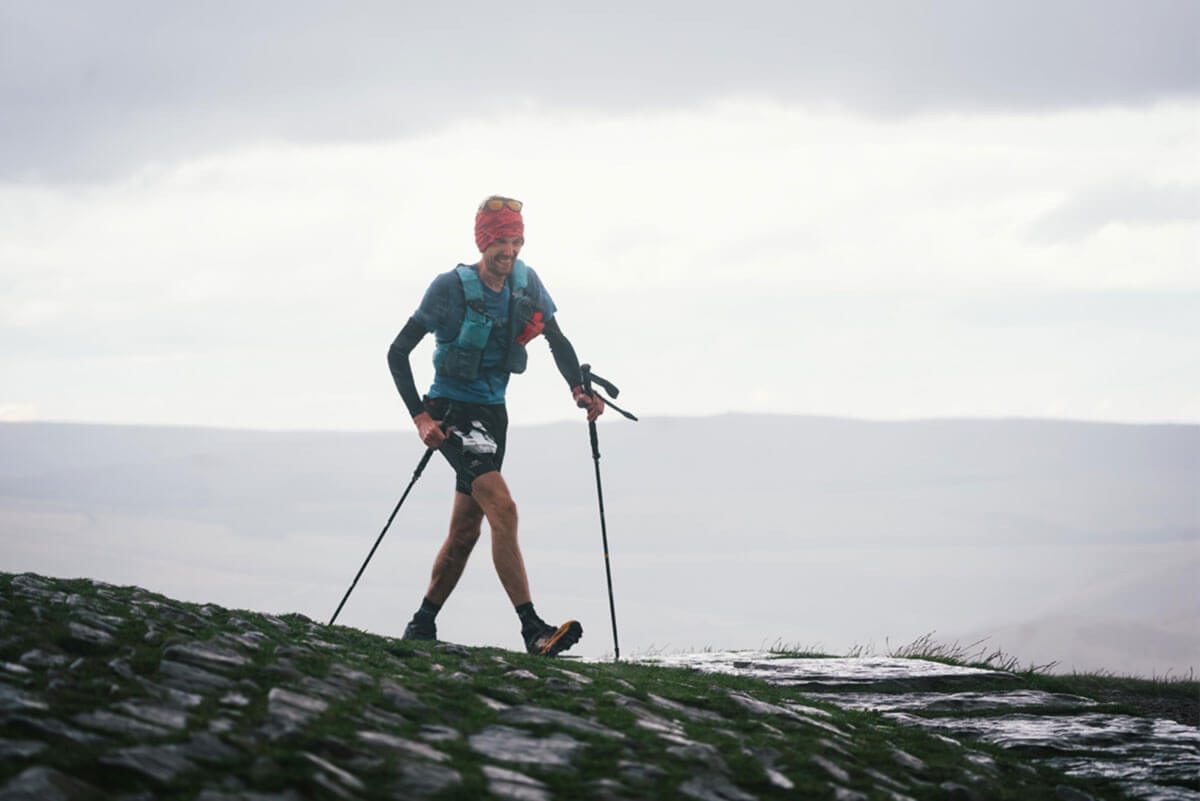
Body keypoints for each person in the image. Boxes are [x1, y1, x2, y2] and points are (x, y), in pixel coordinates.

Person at [387, 195, 604, 656]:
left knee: (466, 531)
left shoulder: (526, 285)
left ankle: (421, 625)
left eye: (516, 240)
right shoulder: (449, 288)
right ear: (483, 241)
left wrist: (578, 390)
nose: (510, 250)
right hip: (450, 413)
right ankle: (533, 631)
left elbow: (556, 338)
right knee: (502, 508)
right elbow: (397, 351)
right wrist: (420, 417)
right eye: (501, 241)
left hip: (493, 416)